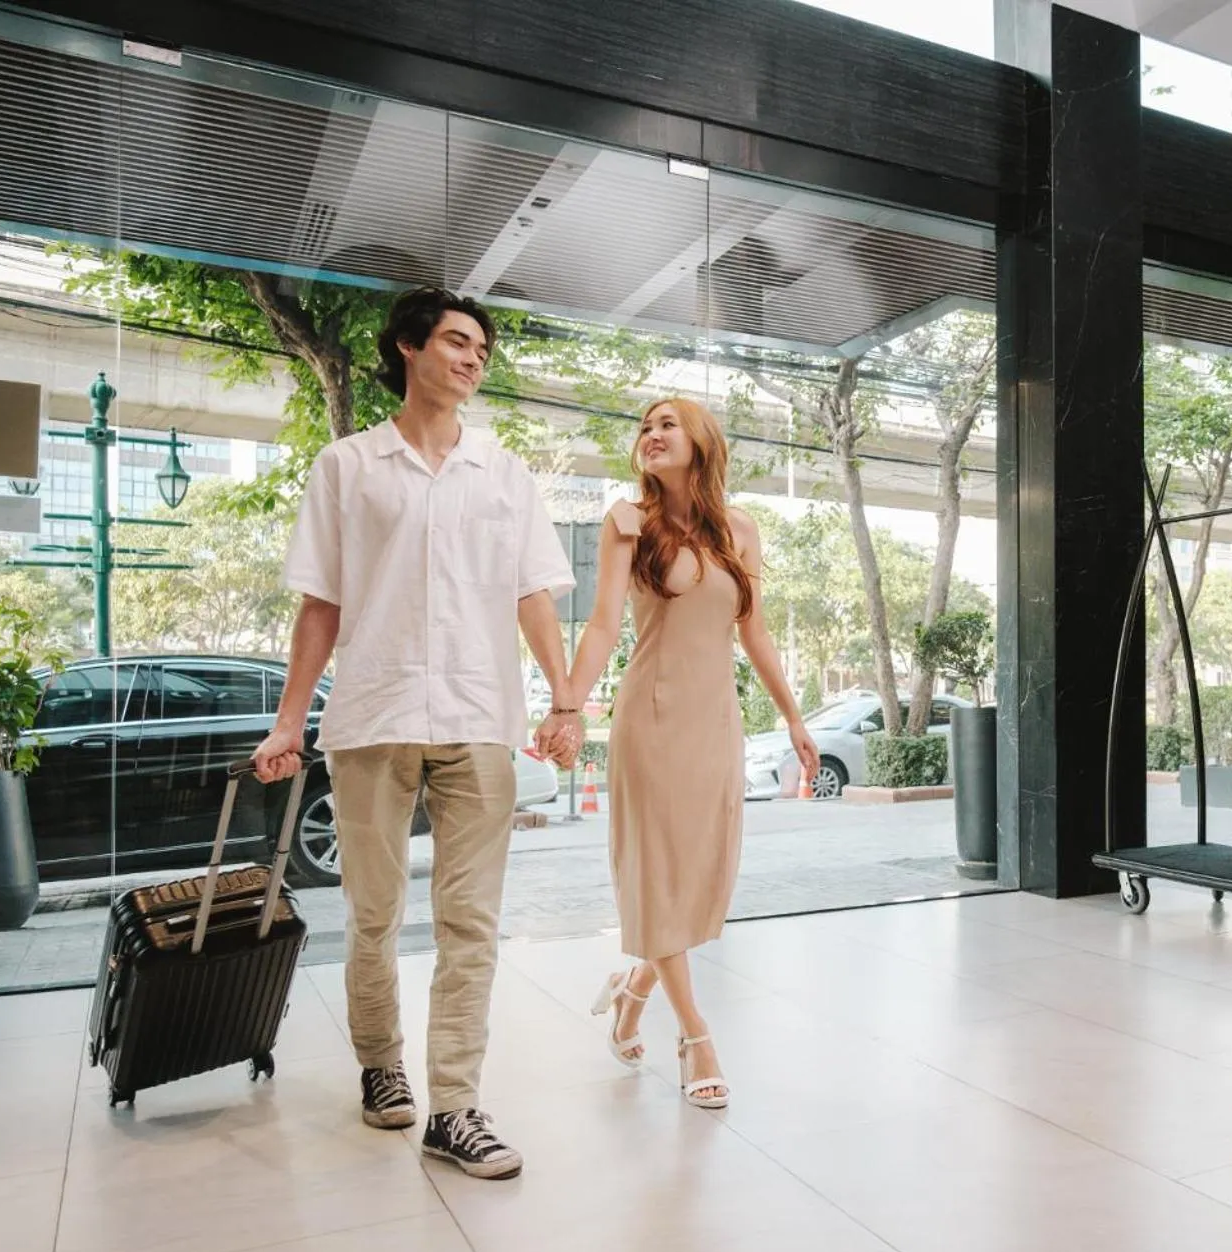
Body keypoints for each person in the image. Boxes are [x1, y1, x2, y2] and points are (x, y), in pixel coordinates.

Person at [251, 287, 580, 1180]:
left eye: (482, 349)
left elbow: (532, 595)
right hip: (373, 714)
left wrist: (564, 701)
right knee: (374, 914)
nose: (473, 359)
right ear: (406, 348)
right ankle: (381, 1064)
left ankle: (458, 1107)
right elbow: (322, 603)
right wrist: (290, 721)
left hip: (480, 715)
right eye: (457, 342)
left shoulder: (503, 473)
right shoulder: (349, 468)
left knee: (470, 921)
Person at [562, 397, 817, 1109]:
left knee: (702, 875)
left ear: (701, 441)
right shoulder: (627, 522)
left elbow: (755, 633)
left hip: (716, 722)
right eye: (644, 426)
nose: (651, 434)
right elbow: (605, 625)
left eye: (666, 424)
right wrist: (567, 704)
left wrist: (793, 718)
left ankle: (634, 987)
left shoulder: (740, 529)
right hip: (650, 715)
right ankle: (696, 1034)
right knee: (658, 874)